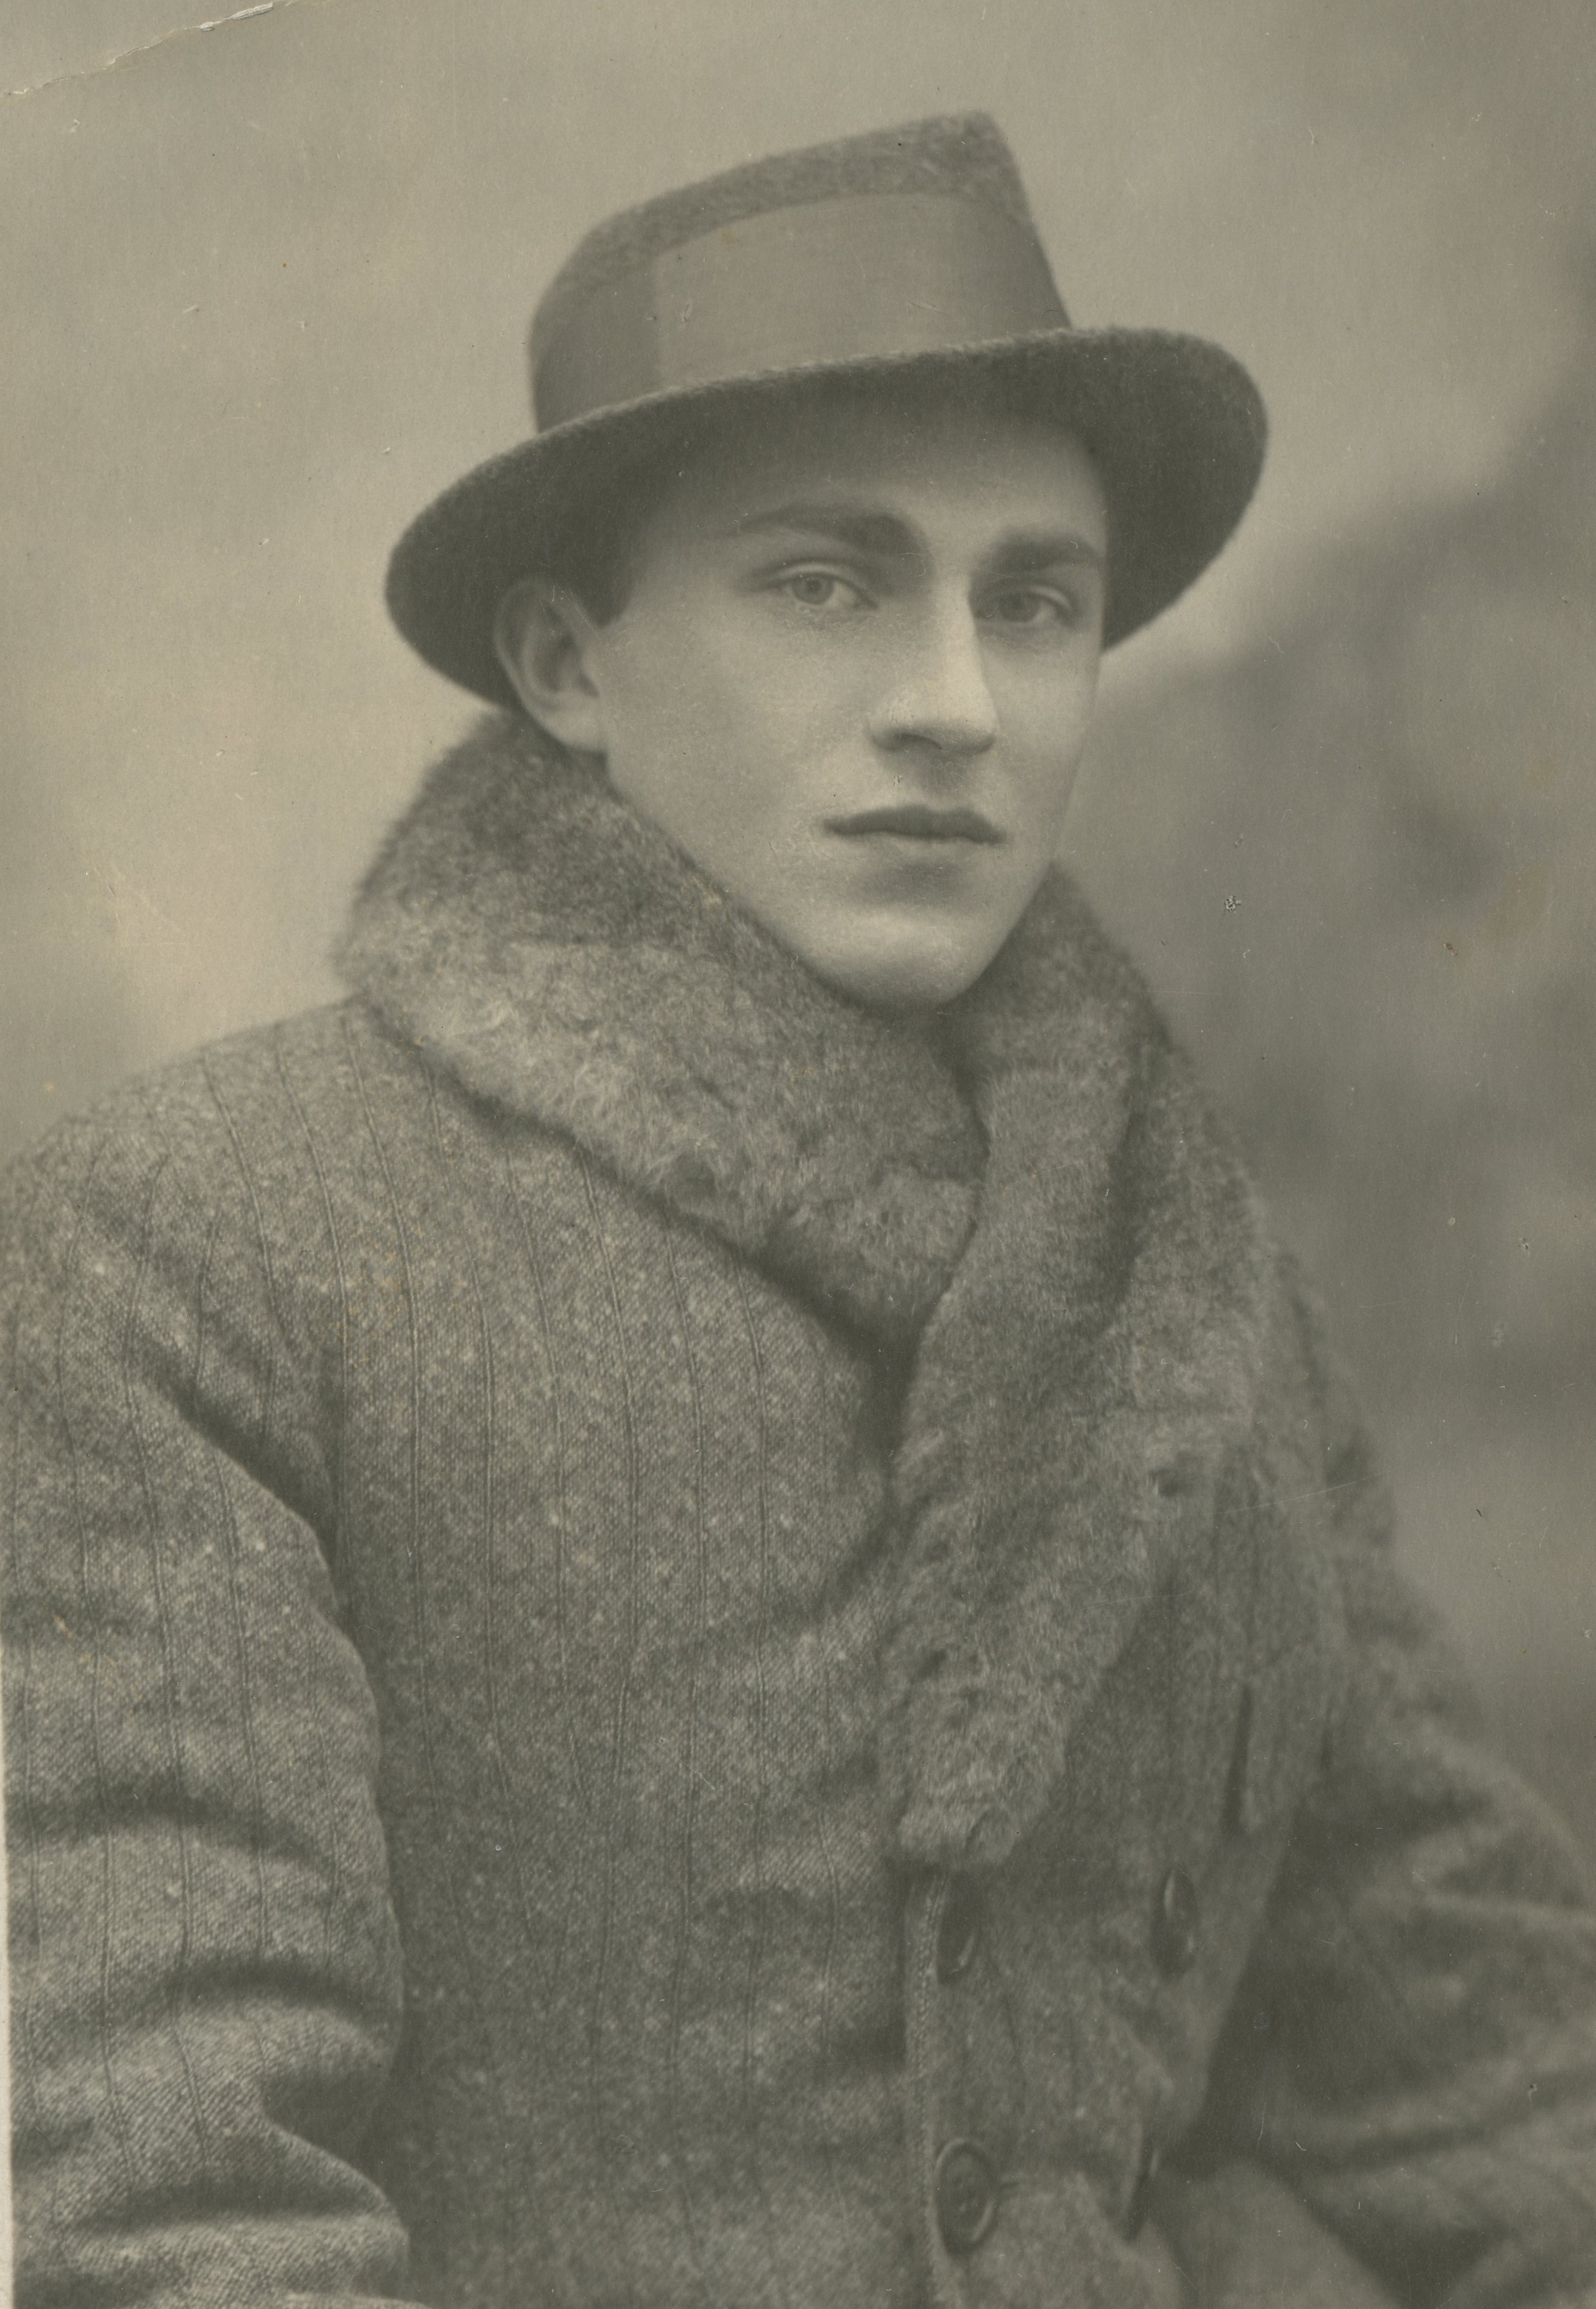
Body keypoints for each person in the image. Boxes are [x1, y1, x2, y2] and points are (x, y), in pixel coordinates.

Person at [3, 111, 1594, 2309]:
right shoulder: (205, 1247)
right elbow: (172, 2216)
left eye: (1035, 603)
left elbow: (1489, 2094)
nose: (955, 706)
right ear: (566, 665)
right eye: (827, 586)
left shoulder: (1195, 1283)